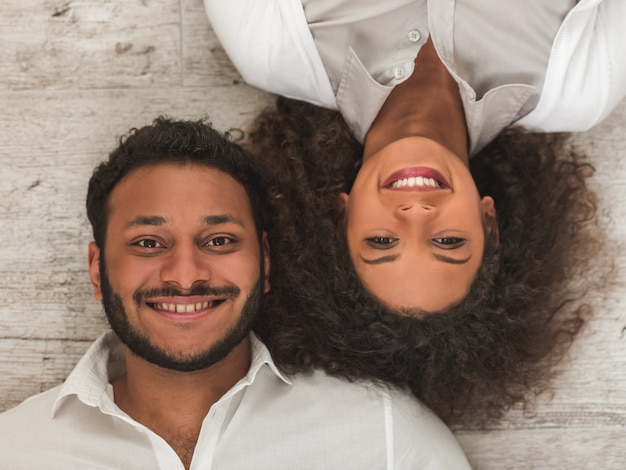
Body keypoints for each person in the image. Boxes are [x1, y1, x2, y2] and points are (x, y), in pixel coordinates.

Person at [0, 117, 471, 469]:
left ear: (265, 262)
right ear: (98, 269)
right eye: (148, 243)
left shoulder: (386, 437)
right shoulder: (15, 449)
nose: (186, 276)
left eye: (219, 241)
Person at [203, 0, 625, 311]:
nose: (417, 211)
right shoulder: (580, 85)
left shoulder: (272, 48)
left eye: (382, 240)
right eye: (448, 241)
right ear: (488, 223)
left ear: (341, 215)